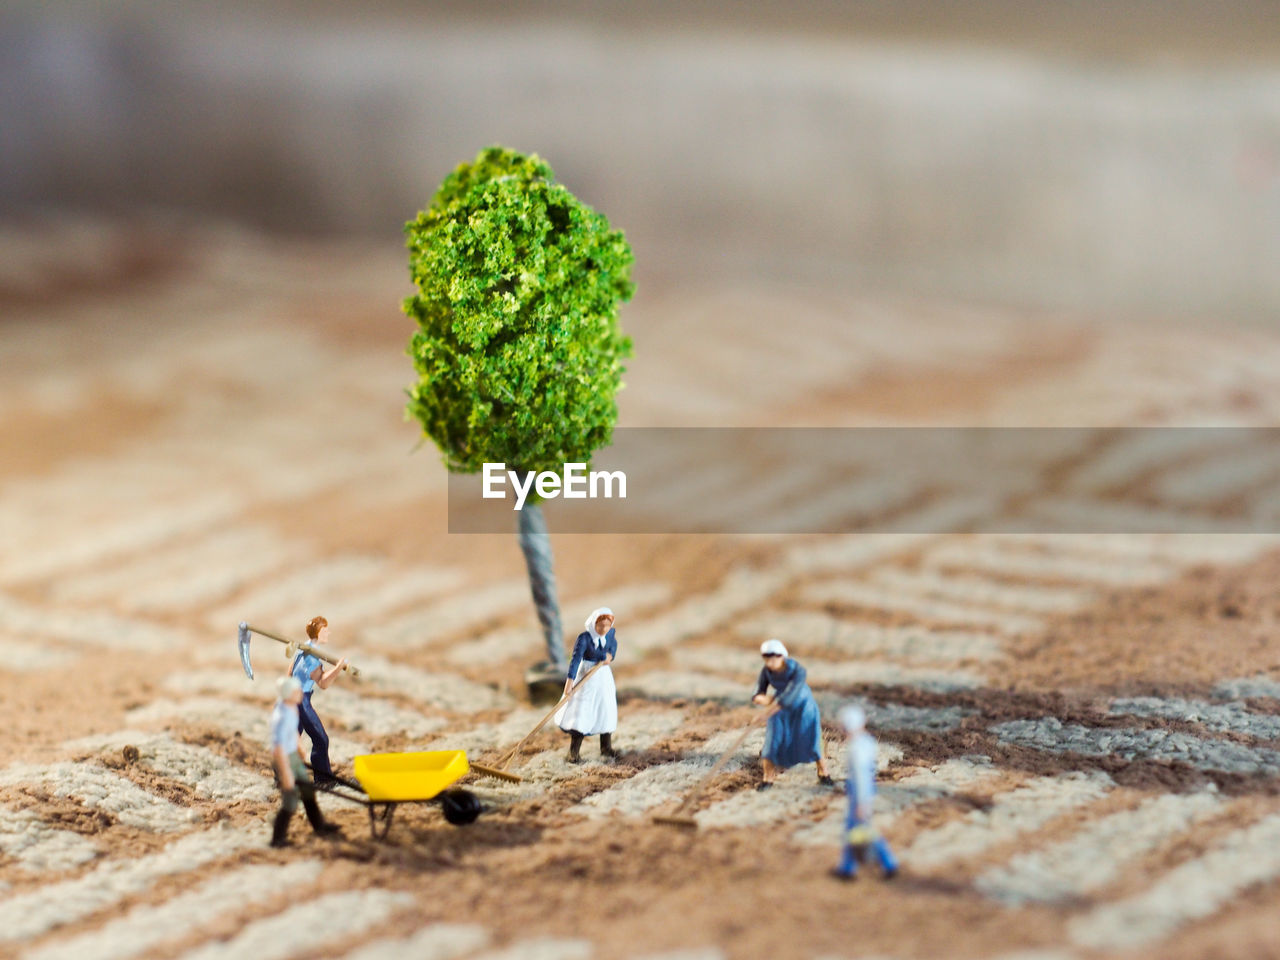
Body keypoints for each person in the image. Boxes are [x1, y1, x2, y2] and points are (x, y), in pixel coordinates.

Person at [269, 675, 341, 848]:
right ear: (288, 694)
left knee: (308, 793)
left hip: (293, 755)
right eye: (297, 691)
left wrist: (300, 748)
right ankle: (277, 838)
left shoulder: (292, 708)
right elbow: (277, 748)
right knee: (290, 801)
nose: (301, 693)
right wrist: (285, 774)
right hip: (285, 758)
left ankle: (319, 826)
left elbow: (294, 732)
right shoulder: (280, 717)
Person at [752, 638, 833, 790]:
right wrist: (764, 698)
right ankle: (767, 779)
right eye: (766, 658)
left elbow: (790, 696)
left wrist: (767, 711)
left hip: (803, 708)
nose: (770, 662)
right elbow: (757, 693)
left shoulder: (798, 671)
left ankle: (824, 773)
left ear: (782, 656)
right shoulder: (766, 671)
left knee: (812, 742)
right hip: (779, 710)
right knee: (771, 743)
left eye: (774, 657)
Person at [833, 705, 897, 881]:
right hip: (866, 787)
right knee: (855, 830)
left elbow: (860, 775)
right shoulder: (866, 741)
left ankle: (888, 863)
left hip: (860, 791)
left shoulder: (856, 748)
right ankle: (847, 867)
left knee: (861, 829)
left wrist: (862, 802)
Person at [554, 607, 618, 763]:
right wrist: (569, 684)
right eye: (600, 626)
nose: (603, 629)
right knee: (581, 713)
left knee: (605, 709)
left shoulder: (610, 635)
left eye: (606, 625)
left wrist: (610, 656)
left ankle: (606, 747)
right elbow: (575, 661)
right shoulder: (584, 639)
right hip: (586, 676)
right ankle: (573, 753)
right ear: (593, 623)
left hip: (602, 677)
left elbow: (613, 646)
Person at [290, 615, 347, 785]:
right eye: (325, 629)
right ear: (318, 632)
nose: (328, 632)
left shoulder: (303, 648)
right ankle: (323, 779)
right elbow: (323, 682)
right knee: (321, 739)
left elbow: (290, 670)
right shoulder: (311, 657)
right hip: (301, 699)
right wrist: (338, 668)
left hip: (292, 696)